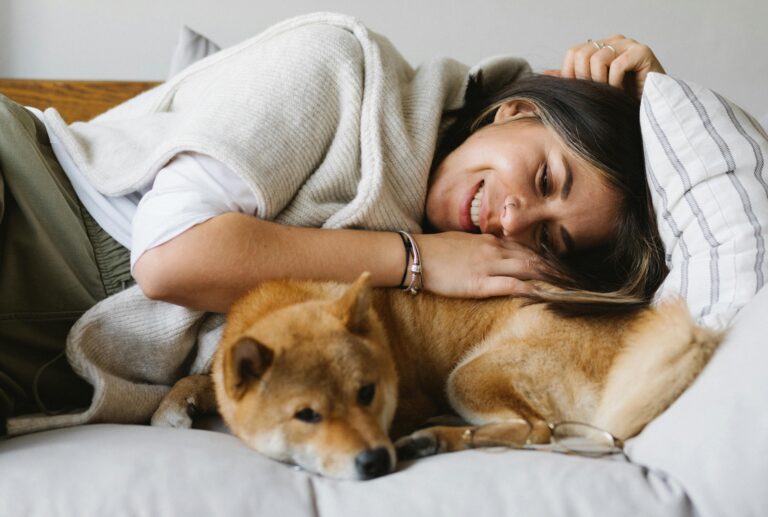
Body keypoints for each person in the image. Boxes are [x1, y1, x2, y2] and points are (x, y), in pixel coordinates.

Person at [0, 14, 666, 433]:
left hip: (50, 356)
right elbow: (170, 256)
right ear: (514, 111)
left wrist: (664, 107)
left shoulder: (454, 291)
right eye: (546, 178)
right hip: (34, 204)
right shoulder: (336, 67)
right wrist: (417, 258)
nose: (515, 219)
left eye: (549, 238)